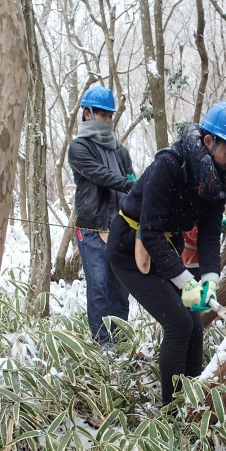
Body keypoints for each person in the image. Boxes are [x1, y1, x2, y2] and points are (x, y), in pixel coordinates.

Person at [107, 100, 226, 405]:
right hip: (129, 247)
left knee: (194, 322)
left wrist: (210, 278)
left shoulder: (219, 181)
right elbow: (149, 230)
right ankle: (172, 410)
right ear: (209, 141)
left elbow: (210, 232)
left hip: (165, 248)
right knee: (178, 324)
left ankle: (193, 398)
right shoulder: (170, 165)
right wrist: (186, 282)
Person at [68, 85, 137, 347]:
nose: (107, 120)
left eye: (110, 116)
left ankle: (120, 341)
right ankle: (102, 343)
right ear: (87, 113)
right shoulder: (79, 147)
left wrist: (137, 188)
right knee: (98, 288)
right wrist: (132, 184)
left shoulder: (120, 150)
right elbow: (101, 176)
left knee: (120, 288)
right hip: (91, 228)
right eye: (102, 115)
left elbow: (129, 177)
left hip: (120, 227)